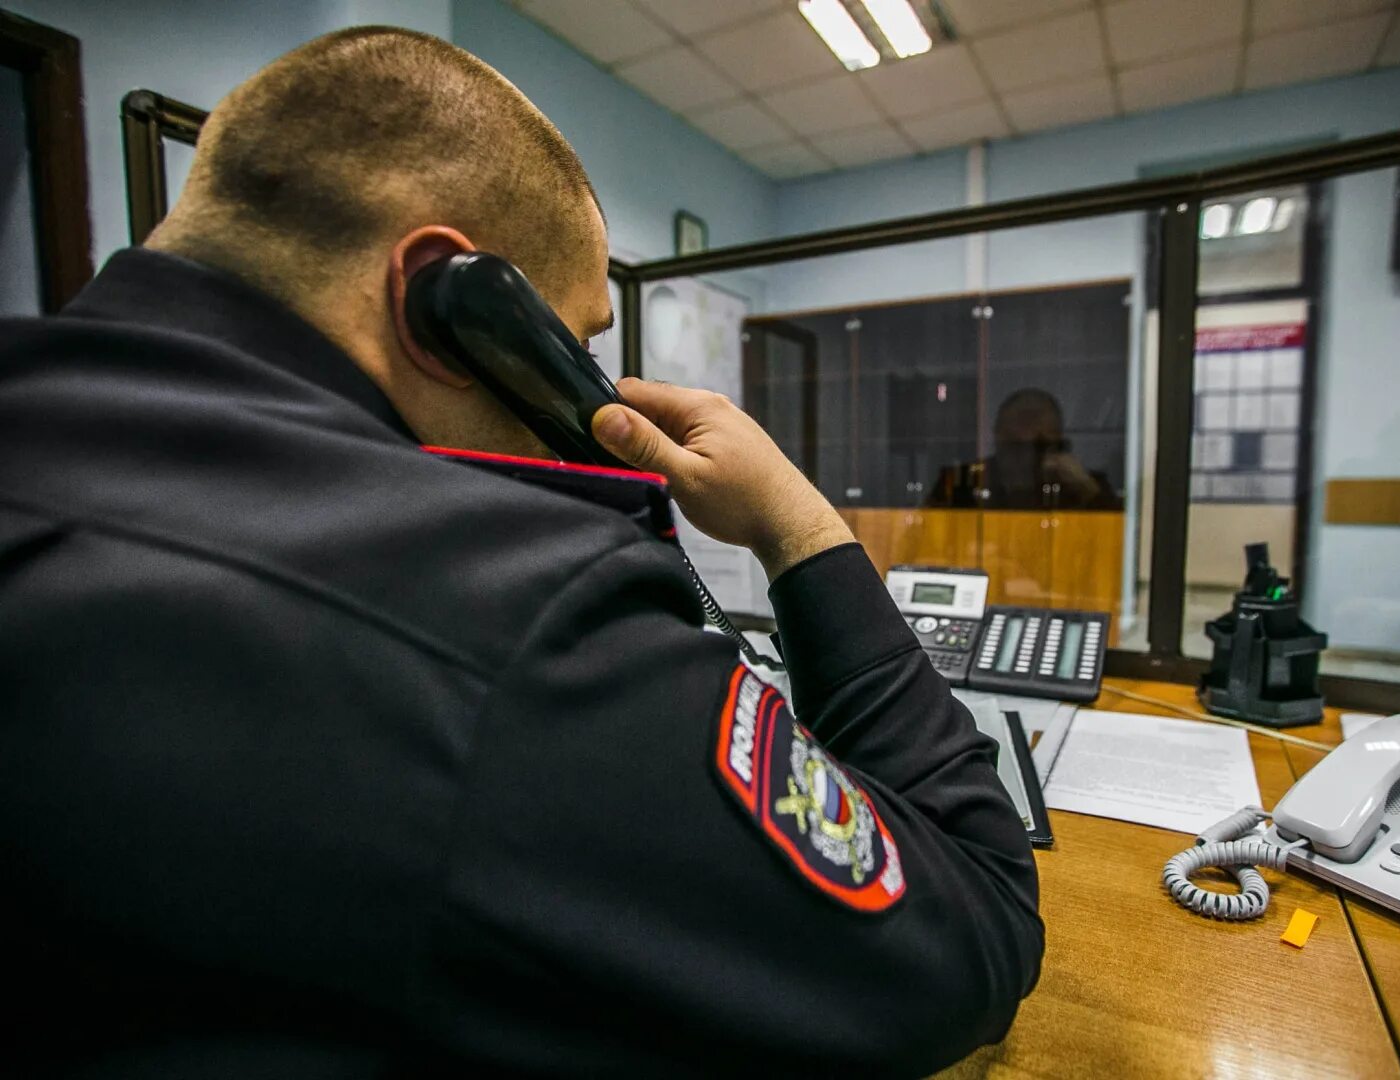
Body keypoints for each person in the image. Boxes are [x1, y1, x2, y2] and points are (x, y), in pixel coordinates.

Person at [0, 27, 1041, 1077]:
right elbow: (973, 934)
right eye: (572, 348)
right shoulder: (499, 610)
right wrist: (795, 524)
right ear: (447, 306)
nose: (583, 395)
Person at [928, 387, 1121, 511]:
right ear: (998, 435)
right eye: (1016, 445)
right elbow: (923, 536)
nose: (1026, 458)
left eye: (1039, 445)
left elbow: (1122, 538)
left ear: (1058, 441)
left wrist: (1086, 488)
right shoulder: (960, 482)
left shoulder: (1081, 486)